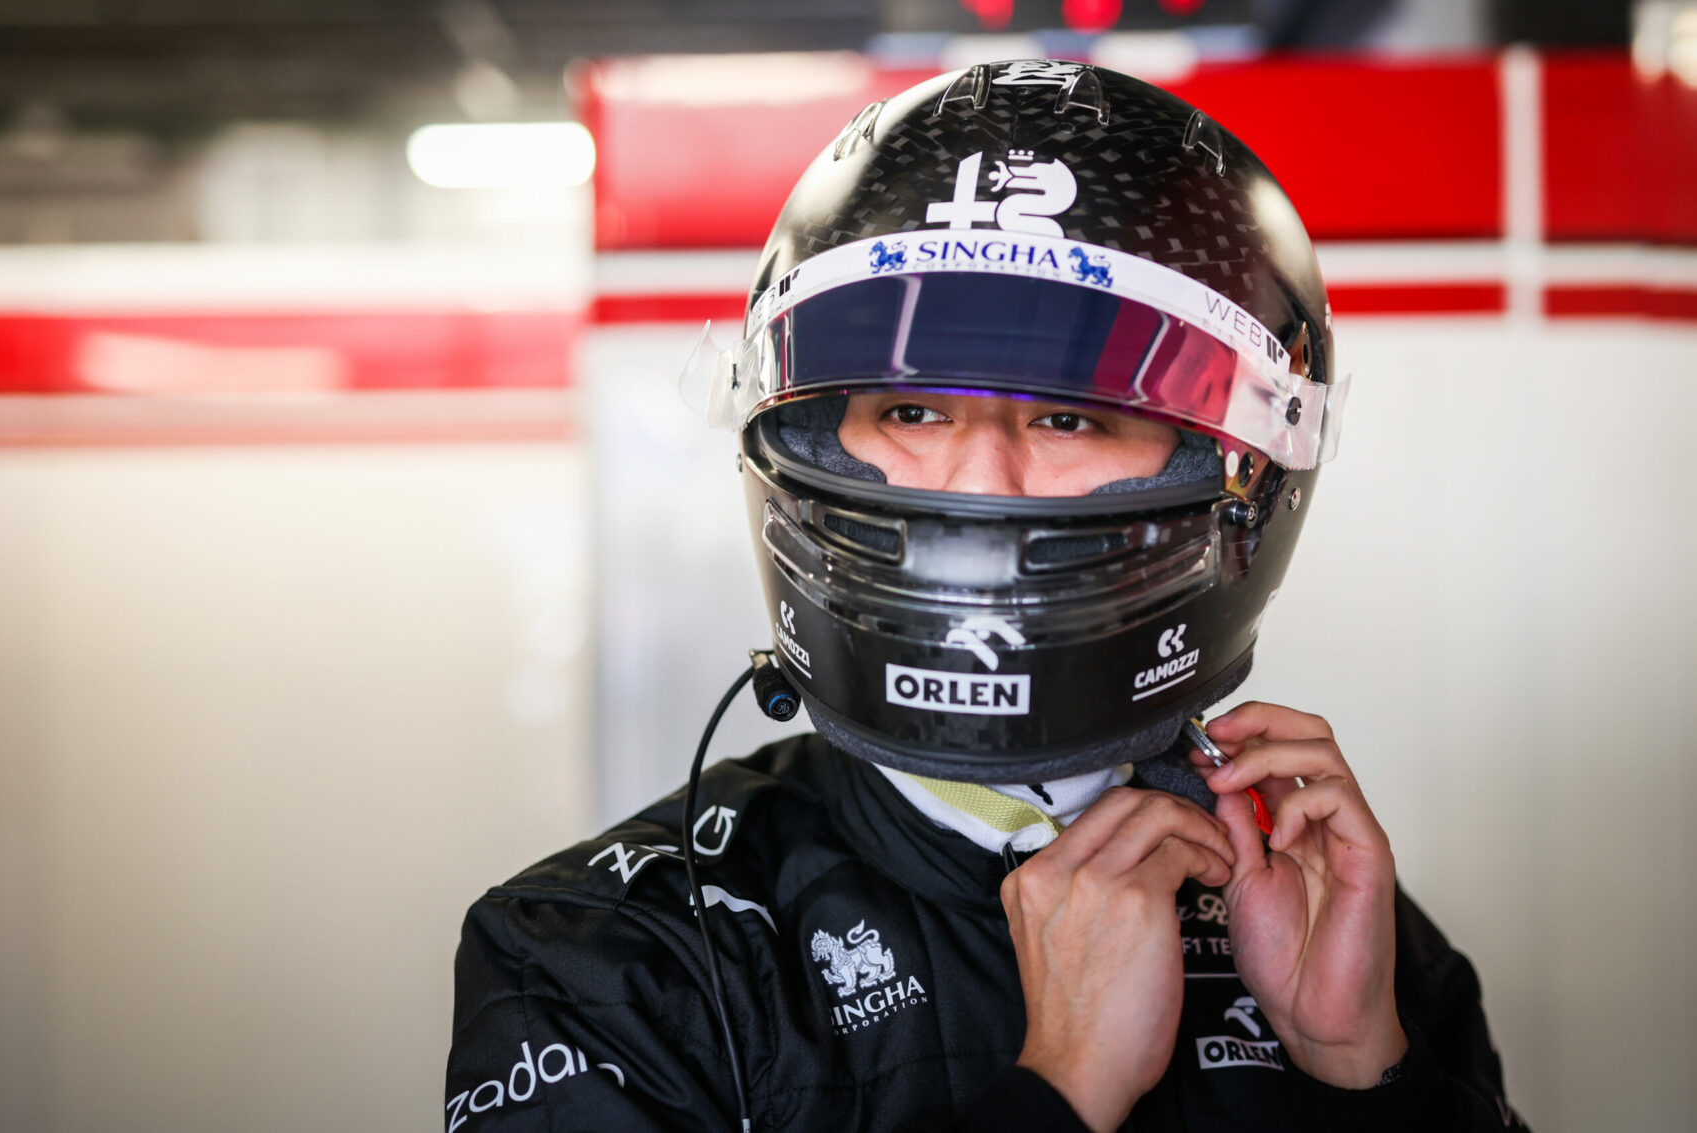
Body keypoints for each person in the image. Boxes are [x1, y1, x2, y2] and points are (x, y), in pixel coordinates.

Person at [446, 60, 1527, 1132]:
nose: (977, 487)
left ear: (1239, 473)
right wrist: (1058, 1088)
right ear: (808, 438)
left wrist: (1364, 1070)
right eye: (912, 412)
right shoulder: (601, 958)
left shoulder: (1340, 921)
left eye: (1068, 418)